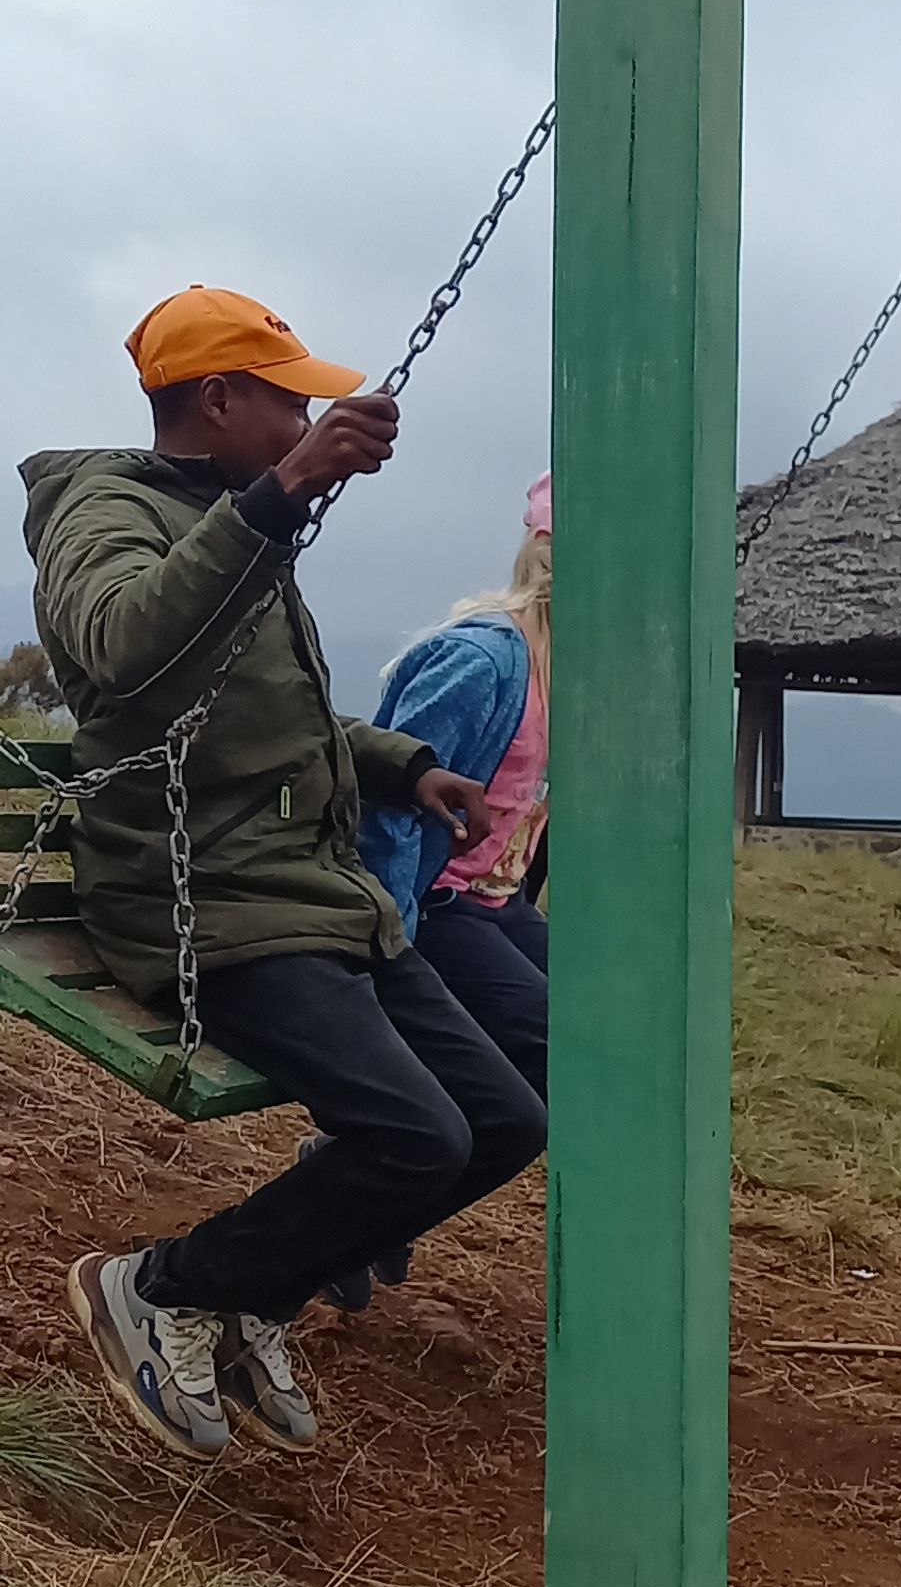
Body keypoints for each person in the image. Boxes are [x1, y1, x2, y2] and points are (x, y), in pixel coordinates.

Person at [23, 287, 546, 1463]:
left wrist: (408, 768)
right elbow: (115, 649)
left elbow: (270, 720)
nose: (303, 418)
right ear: (218, 399)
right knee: (415, 1137)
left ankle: (252, 1295)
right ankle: (163, 1287)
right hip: (202, 902)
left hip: (305, 894)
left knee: (506, 1118)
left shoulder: (232, 519)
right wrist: (282, 492)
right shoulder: (101, 508)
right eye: (287, 399)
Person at [357, 473, 552, 1100]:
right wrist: (388, 943)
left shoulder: (571, 668)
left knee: (611, 1020)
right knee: (553, 1039)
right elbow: (390, 792)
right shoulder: (481, 661)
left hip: (499, 898)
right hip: (432, 898)